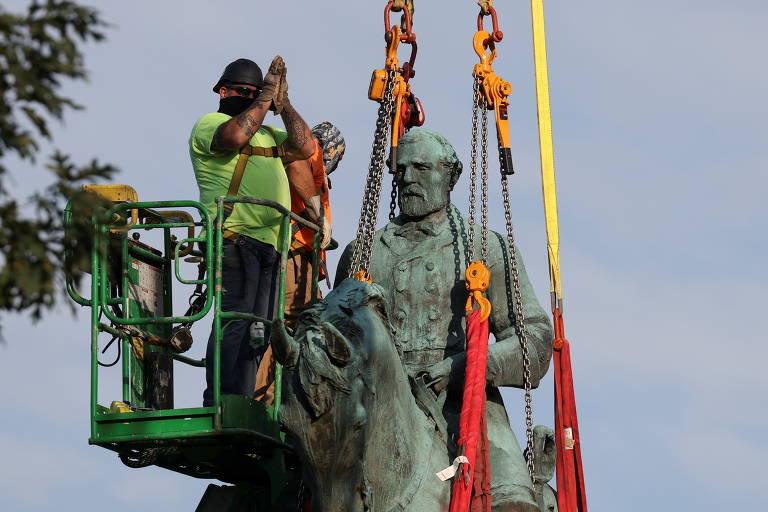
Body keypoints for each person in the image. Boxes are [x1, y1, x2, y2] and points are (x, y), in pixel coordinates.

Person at [335, 129, 553, 512]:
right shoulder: (362, 254)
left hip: (466, 405)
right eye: (400, 169)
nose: (408, 177)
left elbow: (533, 339)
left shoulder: (487, 246)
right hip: (375, 405)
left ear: (450, 175)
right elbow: (335, 340)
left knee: (513, 502)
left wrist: (467, 366)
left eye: (421, 167)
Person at [189, 56, 315, 406]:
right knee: (236, 321)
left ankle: (244, 399)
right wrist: (262, 99)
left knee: (260, 330)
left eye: (255, 92)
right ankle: (223, 400)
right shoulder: (209, 124)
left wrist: (283, 104)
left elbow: (305, 147)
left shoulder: (269, 134)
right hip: (233, 239)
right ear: (222, 91)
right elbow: (235, 136)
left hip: (272, 246)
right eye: (242, 92)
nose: (249, 97)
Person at [253, 121, 345, 404]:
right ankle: (265, 399)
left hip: (301, 257)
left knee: (308, 323)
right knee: (286, 323)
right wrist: (318, 217)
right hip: (294, 254)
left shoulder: (304, 161)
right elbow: (299, 176)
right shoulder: (310, 155)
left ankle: (284, 396)